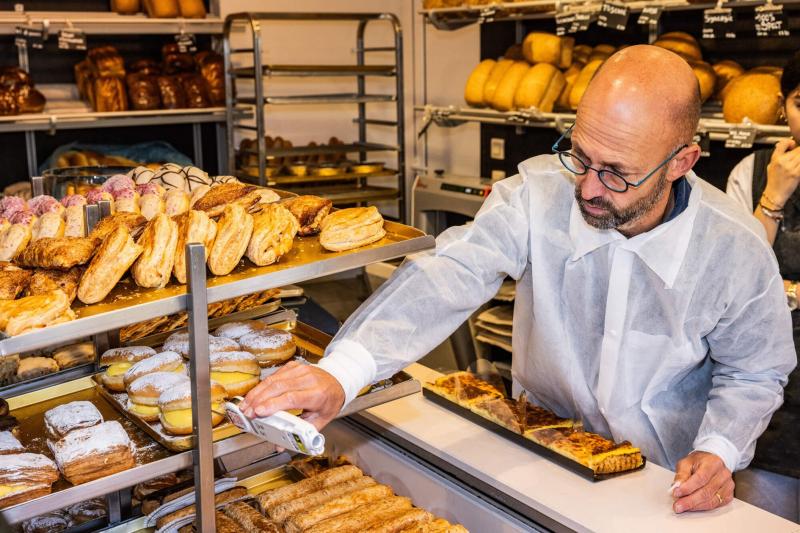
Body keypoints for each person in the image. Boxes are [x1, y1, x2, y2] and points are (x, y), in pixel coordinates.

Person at [241, 45, 797, 515]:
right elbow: (452, 271)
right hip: (538, 457)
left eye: (617, 173)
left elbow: (755, 369)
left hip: (658, 489)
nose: (586, 189)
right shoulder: (539, 193)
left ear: (682, 162)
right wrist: (344, 372)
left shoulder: (733, 248)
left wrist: (720, 449)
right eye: (580, 155)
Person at [725, 53, 800, 523]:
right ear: (781, 106)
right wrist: (774, 197)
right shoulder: (750, 173)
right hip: (767, 408)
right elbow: (732, 281)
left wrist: (783, 291)